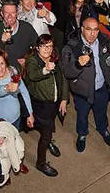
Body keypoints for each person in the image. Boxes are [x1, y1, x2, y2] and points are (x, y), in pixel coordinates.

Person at [61, 17, 110, 152]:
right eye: (89, 29)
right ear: (82, 29)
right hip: (82, 91)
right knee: (82, 115)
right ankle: (82, 133)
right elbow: (67, 72)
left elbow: (109, 62)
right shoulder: (72, 47)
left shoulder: (104, 41)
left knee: (101, 112)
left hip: (101, 87)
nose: (93, 33)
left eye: (96, 29)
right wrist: (78, 64)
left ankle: (103, 129)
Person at [24, 34, 68, 177]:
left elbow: (63, 78)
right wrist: (46, 69)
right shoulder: (32, 61)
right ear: (37, 48)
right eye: (43, 46)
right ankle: (41, 163)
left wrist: (64, 99)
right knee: (46, 133)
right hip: (40, 104)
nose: (47, 50)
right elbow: (33, 75)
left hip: (54, 102)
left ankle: (48, 140)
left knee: (48, 126)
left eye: (49, 46)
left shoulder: (55, 57)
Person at [0, 48, 34, 136]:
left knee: (16, 140)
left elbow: (24, 91)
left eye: (2, 63)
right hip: (0, 122)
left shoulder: (12, 72)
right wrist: (7, 88)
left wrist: (30, 113)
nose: (0, 68)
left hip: (17, 117)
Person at [0, 0, 39, 69]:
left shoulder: (27, 27)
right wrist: (2, 41)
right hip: (2, 71)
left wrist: (28, 60)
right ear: (1, 13)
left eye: (13, 12)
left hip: (22, 70)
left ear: (17, 13)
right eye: (6, 13)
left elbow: (38, 47)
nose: (10, 16)